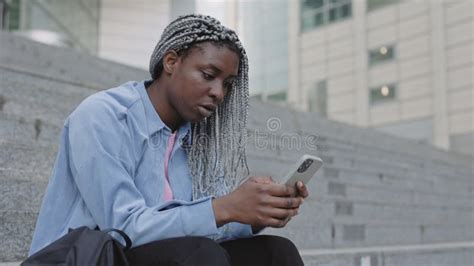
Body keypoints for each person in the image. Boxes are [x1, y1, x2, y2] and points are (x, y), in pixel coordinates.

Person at [29, 14, 308, 265]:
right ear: (172, 62)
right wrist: (225, 206)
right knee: (200, 255)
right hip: (88, 258)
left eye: (227, 84)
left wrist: (257, 213)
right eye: (209, 76)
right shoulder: (103, 116)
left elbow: (208, 224)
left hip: (161, 255)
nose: (218, 93)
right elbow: (124, 227)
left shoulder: (196, 138)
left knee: (276, 253)